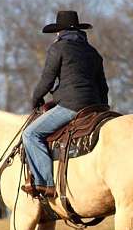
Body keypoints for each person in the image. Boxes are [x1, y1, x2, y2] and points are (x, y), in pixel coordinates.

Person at [21, 10, 109, 198]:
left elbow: (47, 80)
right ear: (79, 30)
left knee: (30, 134)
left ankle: (44, 183)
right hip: (95, 106)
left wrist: (36, 98)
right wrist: (103, 107)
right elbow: (103, 87)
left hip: (71, 105)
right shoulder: (93, 52)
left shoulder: (58, 48)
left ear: (59, 32)